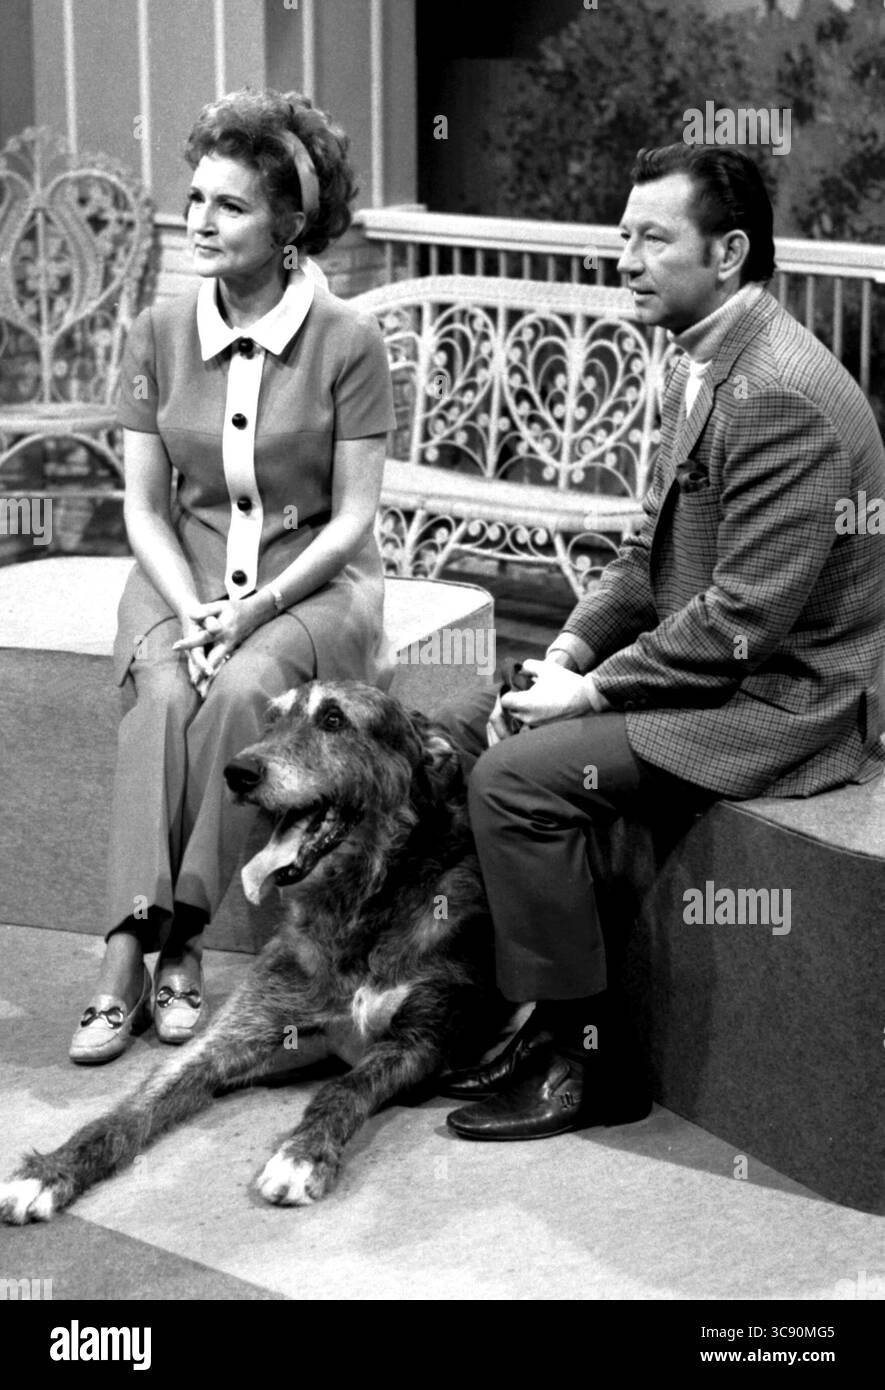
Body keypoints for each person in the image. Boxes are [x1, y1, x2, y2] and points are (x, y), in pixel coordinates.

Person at [437, 143, 885, 1140]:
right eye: (621, 237)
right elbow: (644, 556)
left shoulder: (778, 392)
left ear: (727, 253)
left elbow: (741, 622)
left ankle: (584, 1063)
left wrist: (594, 697)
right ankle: (529, 1008)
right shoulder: (709, 360)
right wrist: (564, 652)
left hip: (777, 704)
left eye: (651, 238)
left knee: (515, 779)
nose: (624, 259)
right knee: (471, 718)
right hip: (717, 672)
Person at [70, 89, 395, 1063]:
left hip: (314, 583)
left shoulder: (348, 341)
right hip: (183, 570)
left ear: (289, 226)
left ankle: (183, 941)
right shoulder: (154, 334)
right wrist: (193, 609)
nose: (199, 221)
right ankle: (127, 950)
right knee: (166, 695)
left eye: (230, 205)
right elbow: (142, 509)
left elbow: (353, 520)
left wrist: (253, 609)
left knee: (247, 693)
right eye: (195, 198)